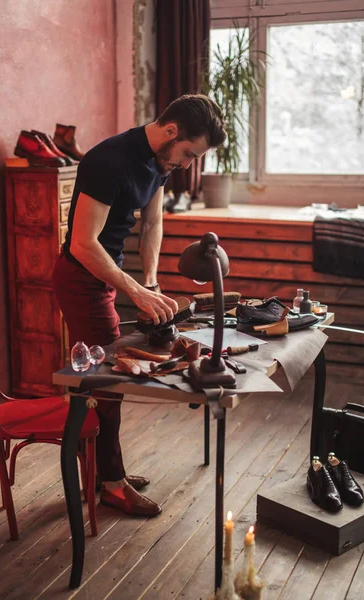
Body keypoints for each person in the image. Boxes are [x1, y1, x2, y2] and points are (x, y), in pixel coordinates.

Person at [52, 94, 227, 517]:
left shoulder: (160, 162)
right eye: (188, 153)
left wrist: (150, 282)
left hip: (108, 277)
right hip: (81, 279)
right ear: (170, 131)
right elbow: (82, 243)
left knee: (106, 382)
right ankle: (110, 482)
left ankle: (103, 468)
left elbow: (153, 223)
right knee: (107, 383)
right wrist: (135, 290)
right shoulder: (109, 160)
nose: (187, 164)